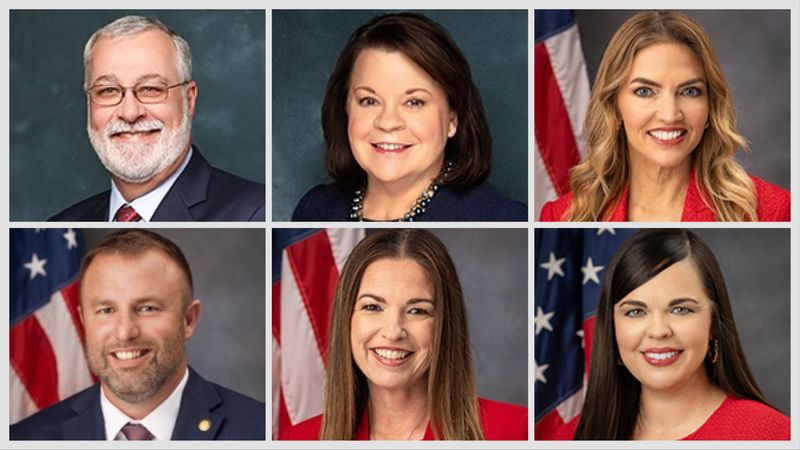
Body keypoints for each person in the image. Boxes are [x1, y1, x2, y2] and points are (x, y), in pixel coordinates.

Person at [10, 230, 265, 440]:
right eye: (107, 310)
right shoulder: (26, 438)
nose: (125, 332)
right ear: (83, 321)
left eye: (147, 308)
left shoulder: (260, 431)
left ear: (188, 320)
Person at [539, 11, 789, 222]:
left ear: (711, 105)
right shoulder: (561, 216)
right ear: (614, 106)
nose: (670, 114)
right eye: (645, 91)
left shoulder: (772, 211)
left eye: (690, 91)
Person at [281, 229, 527, 439]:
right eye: (372, 307)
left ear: (445, 324)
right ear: (347, 318)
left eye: (417, 311)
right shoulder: (298, 439)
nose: (393, 332)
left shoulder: (516, 431)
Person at [291, 13, 527, 222]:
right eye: (369, 101)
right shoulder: (314, 209)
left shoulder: (499, 217)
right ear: (345, 109)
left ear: (453, 118)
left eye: (414, 102)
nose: (388, 122)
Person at [557, 229, 789, 440]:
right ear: (612, 327)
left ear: (714, 324)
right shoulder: (575, 435)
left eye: (681, 309)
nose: (659, 331)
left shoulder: (769, 434)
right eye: (636, 311)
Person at [49, 15, 264, 222]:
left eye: (150, 89)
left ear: (188, 100)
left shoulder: (255, 211)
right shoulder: (64, 222)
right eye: (108, 91)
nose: (130, 113)